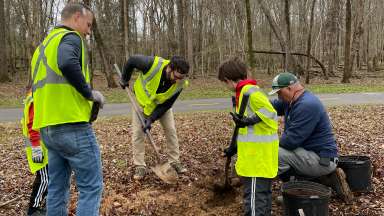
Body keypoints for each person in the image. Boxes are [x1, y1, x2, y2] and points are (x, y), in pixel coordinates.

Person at [30, 3, 105, 216]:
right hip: (71, 126)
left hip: (47, 128)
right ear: (77, 18)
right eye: (88, 25)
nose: (89, 31)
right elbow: (66, 62)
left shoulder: (43, 46)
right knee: (91, 187)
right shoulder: (70, 38)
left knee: (56, 188)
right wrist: (90, 93)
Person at [268, 72, 353, 202]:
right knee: (280, 153)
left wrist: (268, 143)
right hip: (310, 154)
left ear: (289, 89)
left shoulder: (306, 105)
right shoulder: (292, 100)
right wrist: (248, 101)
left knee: (276, 153)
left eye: (279, 93)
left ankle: (295, 193)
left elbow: (290, 142)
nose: (279, 97)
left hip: (323, 160)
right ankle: (319, 180)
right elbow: (271, 106)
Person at [218, 57, 279, 216]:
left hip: (257, 160)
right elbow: (248, 132)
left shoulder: (249, 92)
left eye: (224, 83)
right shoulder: (242, 93)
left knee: (254, 199)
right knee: (263, 196)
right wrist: (233, 148)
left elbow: (270, 112)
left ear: (228, 80)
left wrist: (248, 120)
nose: (226, 87)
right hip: (259, 156)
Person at [119, 55, 189, 180]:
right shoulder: (151, 64)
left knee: (171, 130)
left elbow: (167, 104)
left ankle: (174, 161)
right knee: (137, 133)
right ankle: (140, 165)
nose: (178, 81)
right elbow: (131, 61)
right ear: (169, 68)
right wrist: (125, 78)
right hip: (140, 102)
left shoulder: (181, 83)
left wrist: (151, 119)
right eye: (177, 77)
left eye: (181, 78)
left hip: (161, 106)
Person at [21, 89, 48, 216]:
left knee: (48, 177)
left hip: (43, 146)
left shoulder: (35, 95)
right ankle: (33, 209)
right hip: (38, 147)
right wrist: (36, 147)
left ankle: (43, 205)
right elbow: (32, 125)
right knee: (44, 179)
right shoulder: (35, 98)